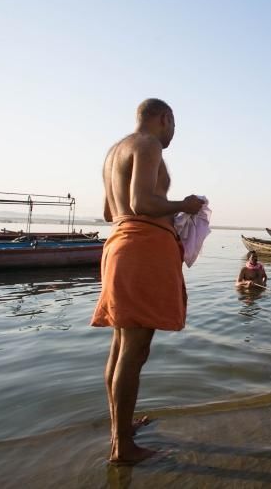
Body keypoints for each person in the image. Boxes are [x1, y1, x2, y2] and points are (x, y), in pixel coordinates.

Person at [91, 98, 205, 464]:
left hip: (119, 244)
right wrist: (184, 206)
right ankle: (123, 449)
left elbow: (112, 210)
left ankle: (119, 430)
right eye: (174, 126)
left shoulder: (114, 151)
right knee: (135, 350)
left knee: (121, 345)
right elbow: (142, 203)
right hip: (141, 248)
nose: (172, 134)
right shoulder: (148, 144)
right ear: (164, 118)